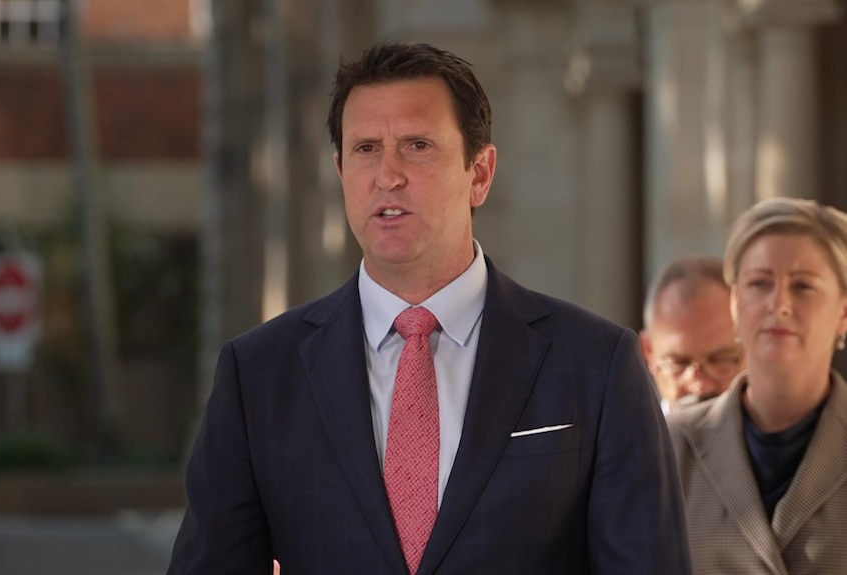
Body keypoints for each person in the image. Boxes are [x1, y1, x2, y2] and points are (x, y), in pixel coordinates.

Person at [168, 41, 691, 575]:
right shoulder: (258, 374)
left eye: (417, 145)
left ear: (480, 174)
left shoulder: (597, 364)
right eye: (366, 148)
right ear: (341, 171)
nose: (387, 175)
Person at [667, 197, 847, 574]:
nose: (778, 304)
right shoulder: (668, 444)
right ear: (734, 305)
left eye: (803, 287)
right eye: (759, 283)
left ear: (843, 313)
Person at [640, 255, 744, 413]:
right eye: (678, 364)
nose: (699, 386)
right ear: (648, 352)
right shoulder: (620, 436)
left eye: (720, 360)